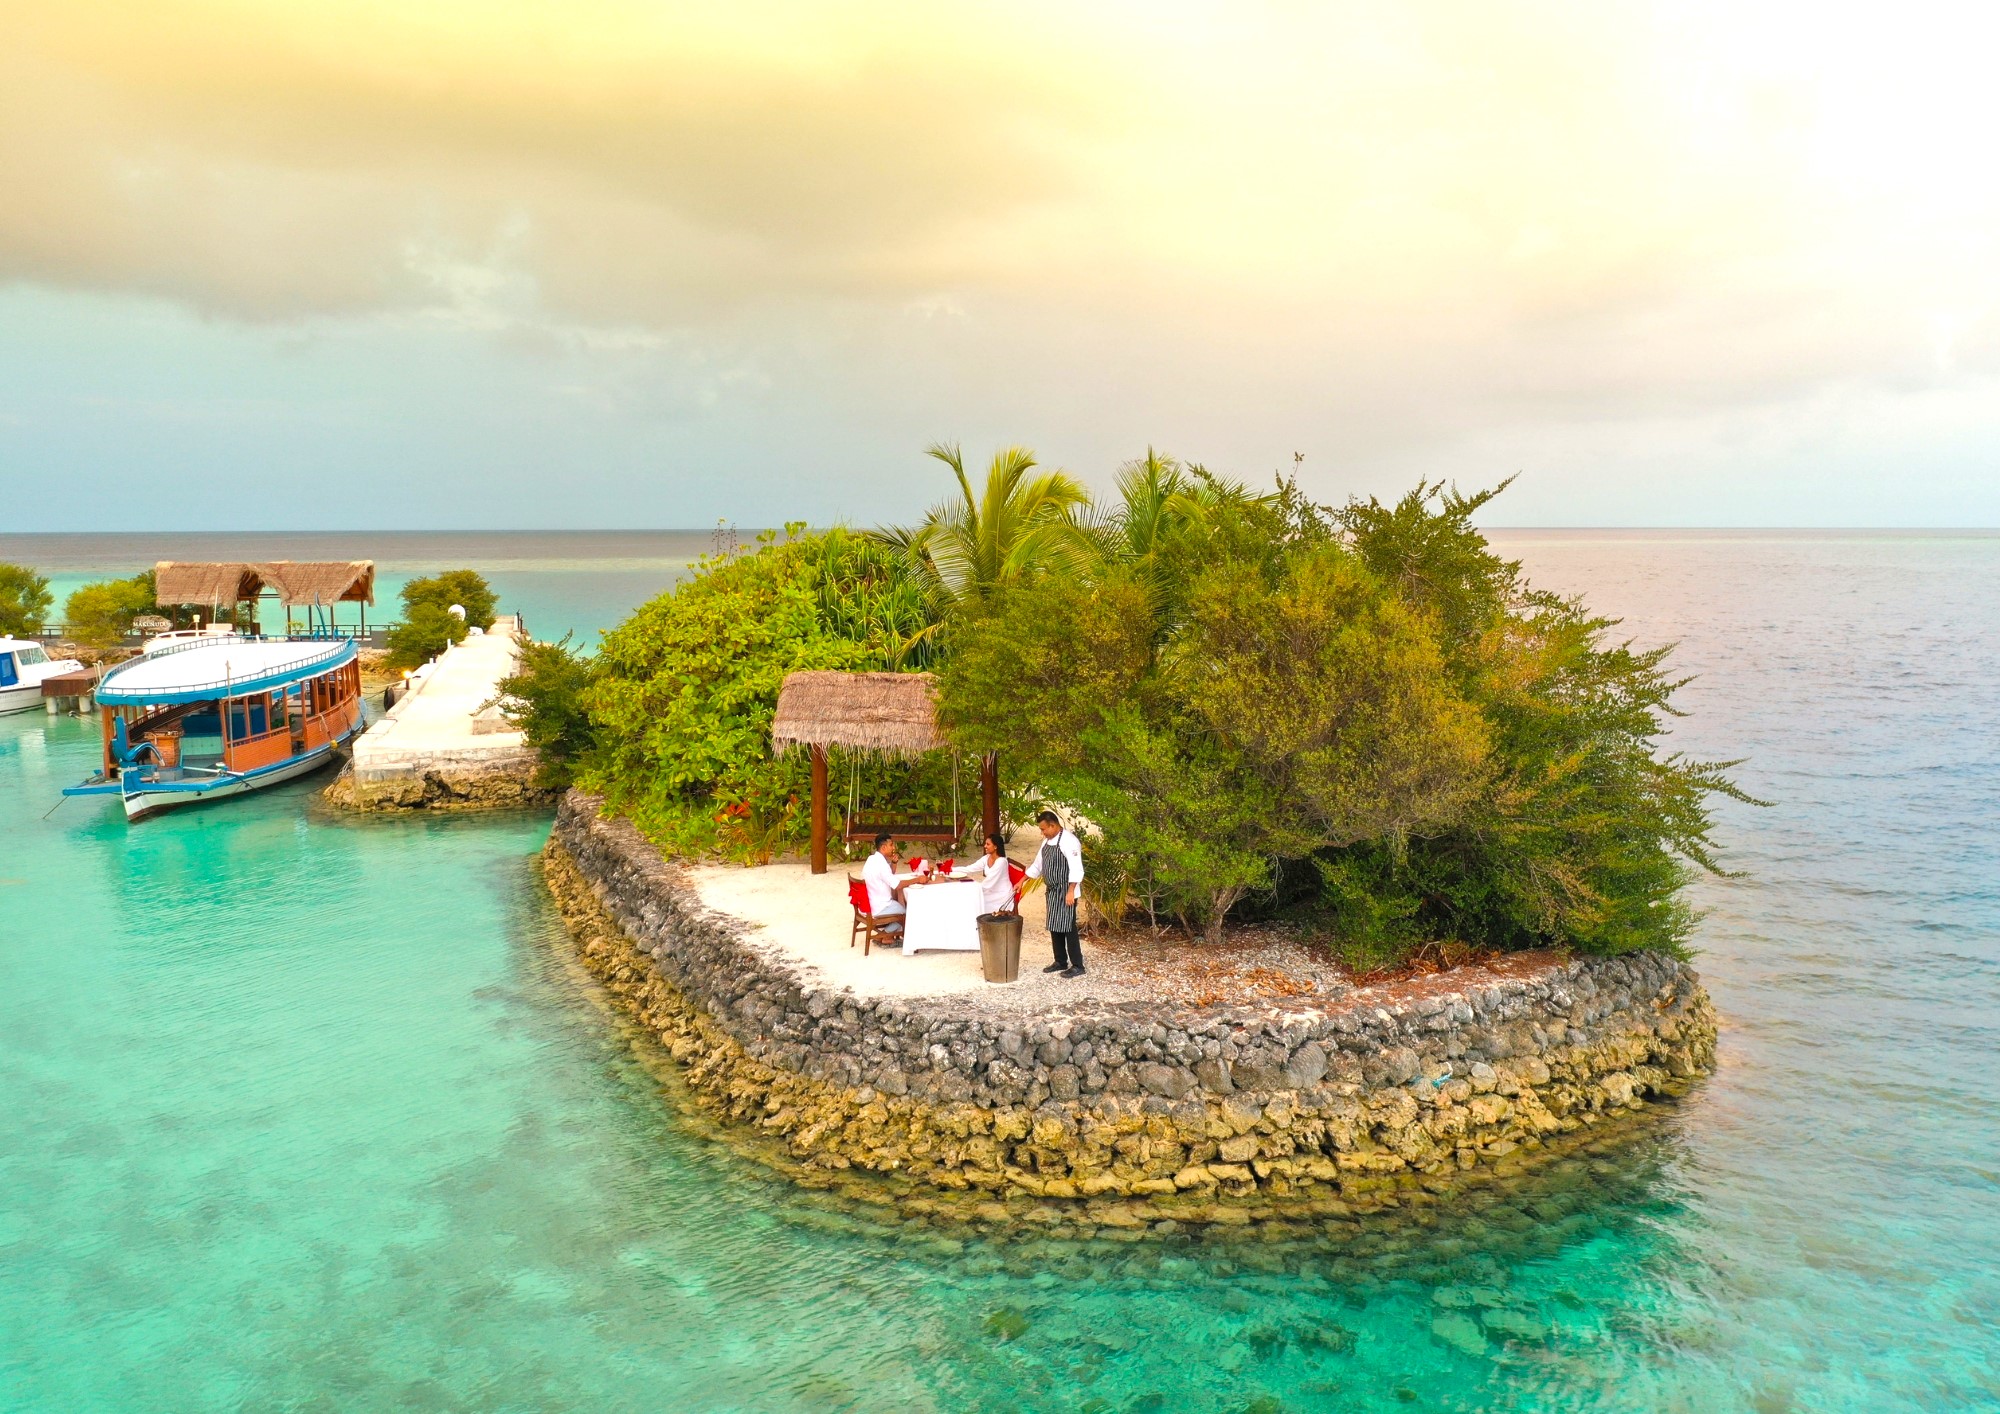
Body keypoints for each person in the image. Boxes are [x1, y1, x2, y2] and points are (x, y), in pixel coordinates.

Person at [1023, 810, 1085, 976]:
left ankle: (1078, 965)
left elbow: (1076, 868)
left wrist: (1071, 891)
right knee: (1054, 926)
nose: (1042, 833)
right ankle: (1060, 961)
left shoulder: (1070, 841)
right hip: (1052, 890)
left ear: (1052, 825)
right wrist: (1021, 881)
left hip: (1066, 890)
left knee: (1068, 927)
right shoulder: (1047, 841)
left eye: (1043, 829)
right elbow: (1037, 865)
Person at [861, 832, 925, 934]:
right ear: (883, 847)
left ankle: (888, 935)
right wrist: (918, 879)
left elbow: (888, 875)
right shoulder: (881, 864)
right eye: (891, 845)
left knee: (900, 904)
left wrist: (894, 863)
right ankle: (885, 935)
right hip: (880, 906)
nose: (893, 848)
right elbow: (897, 885)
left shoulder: (872, 859)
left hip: (870, 903)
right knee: (909, 912)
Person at [964, 832, 1018, 916]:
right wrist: (950, 869)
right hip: (991, 890)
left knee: (975, 899)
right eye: (985, 844)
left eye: (988, 844)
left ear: (995, 847)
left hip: (1001, 895)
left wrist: (973, 889)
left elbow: (989, 883)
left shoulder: (1001, 862)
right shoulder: (986, 858)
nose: (985, 846)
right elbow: (970, 868)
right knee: (974, 898)